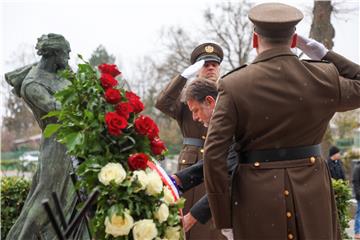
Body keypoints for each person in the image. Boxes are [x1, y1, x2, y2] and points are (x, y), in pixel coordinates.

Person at [203, 2, 360, 240]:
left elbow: (214, 153)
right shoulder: (323, 76)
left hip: (256, 197)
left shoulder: (234, 85)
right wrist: (325, 55)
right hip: (313, 193)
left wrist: (224, 217)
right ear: (295, 40)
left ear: (255, 40)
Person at [5, 33, 78, 240]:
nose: (69, 58)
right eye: (66, 53)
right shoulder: (32, 84)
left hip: (76, 142)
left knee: (76, 195)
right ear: (54, 54)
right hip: (56, 146)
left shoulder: (62, 71)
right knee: (46, 196)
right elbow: (59, 111)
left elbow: (82, 92)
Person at [156, 43, 224, 239]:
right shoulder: (188, 100)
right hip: (193, 167)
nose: (211, 68)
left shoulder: (227, 94)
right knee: (193, 226)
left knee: (218, 224)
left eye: (214, 64)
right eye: (206, 65)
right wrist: (183, 77)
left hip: (221, 161)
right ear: (197, 70)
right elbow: (163, 103)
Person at [170, 79, 238, 238]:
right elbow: (214, 161)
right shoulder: (226, 119)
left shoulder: (234, 121)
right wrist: (178, 180)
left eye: (196, 110)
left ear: (210, 101)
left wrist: (192, 216)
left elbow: (229, 174)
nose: (194, 117)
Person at [352, 162, 360, 239]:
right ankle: (357, 232)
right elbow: (355, 182)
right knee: (359, 213)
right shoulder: (357, 168)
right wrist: (358, 194)